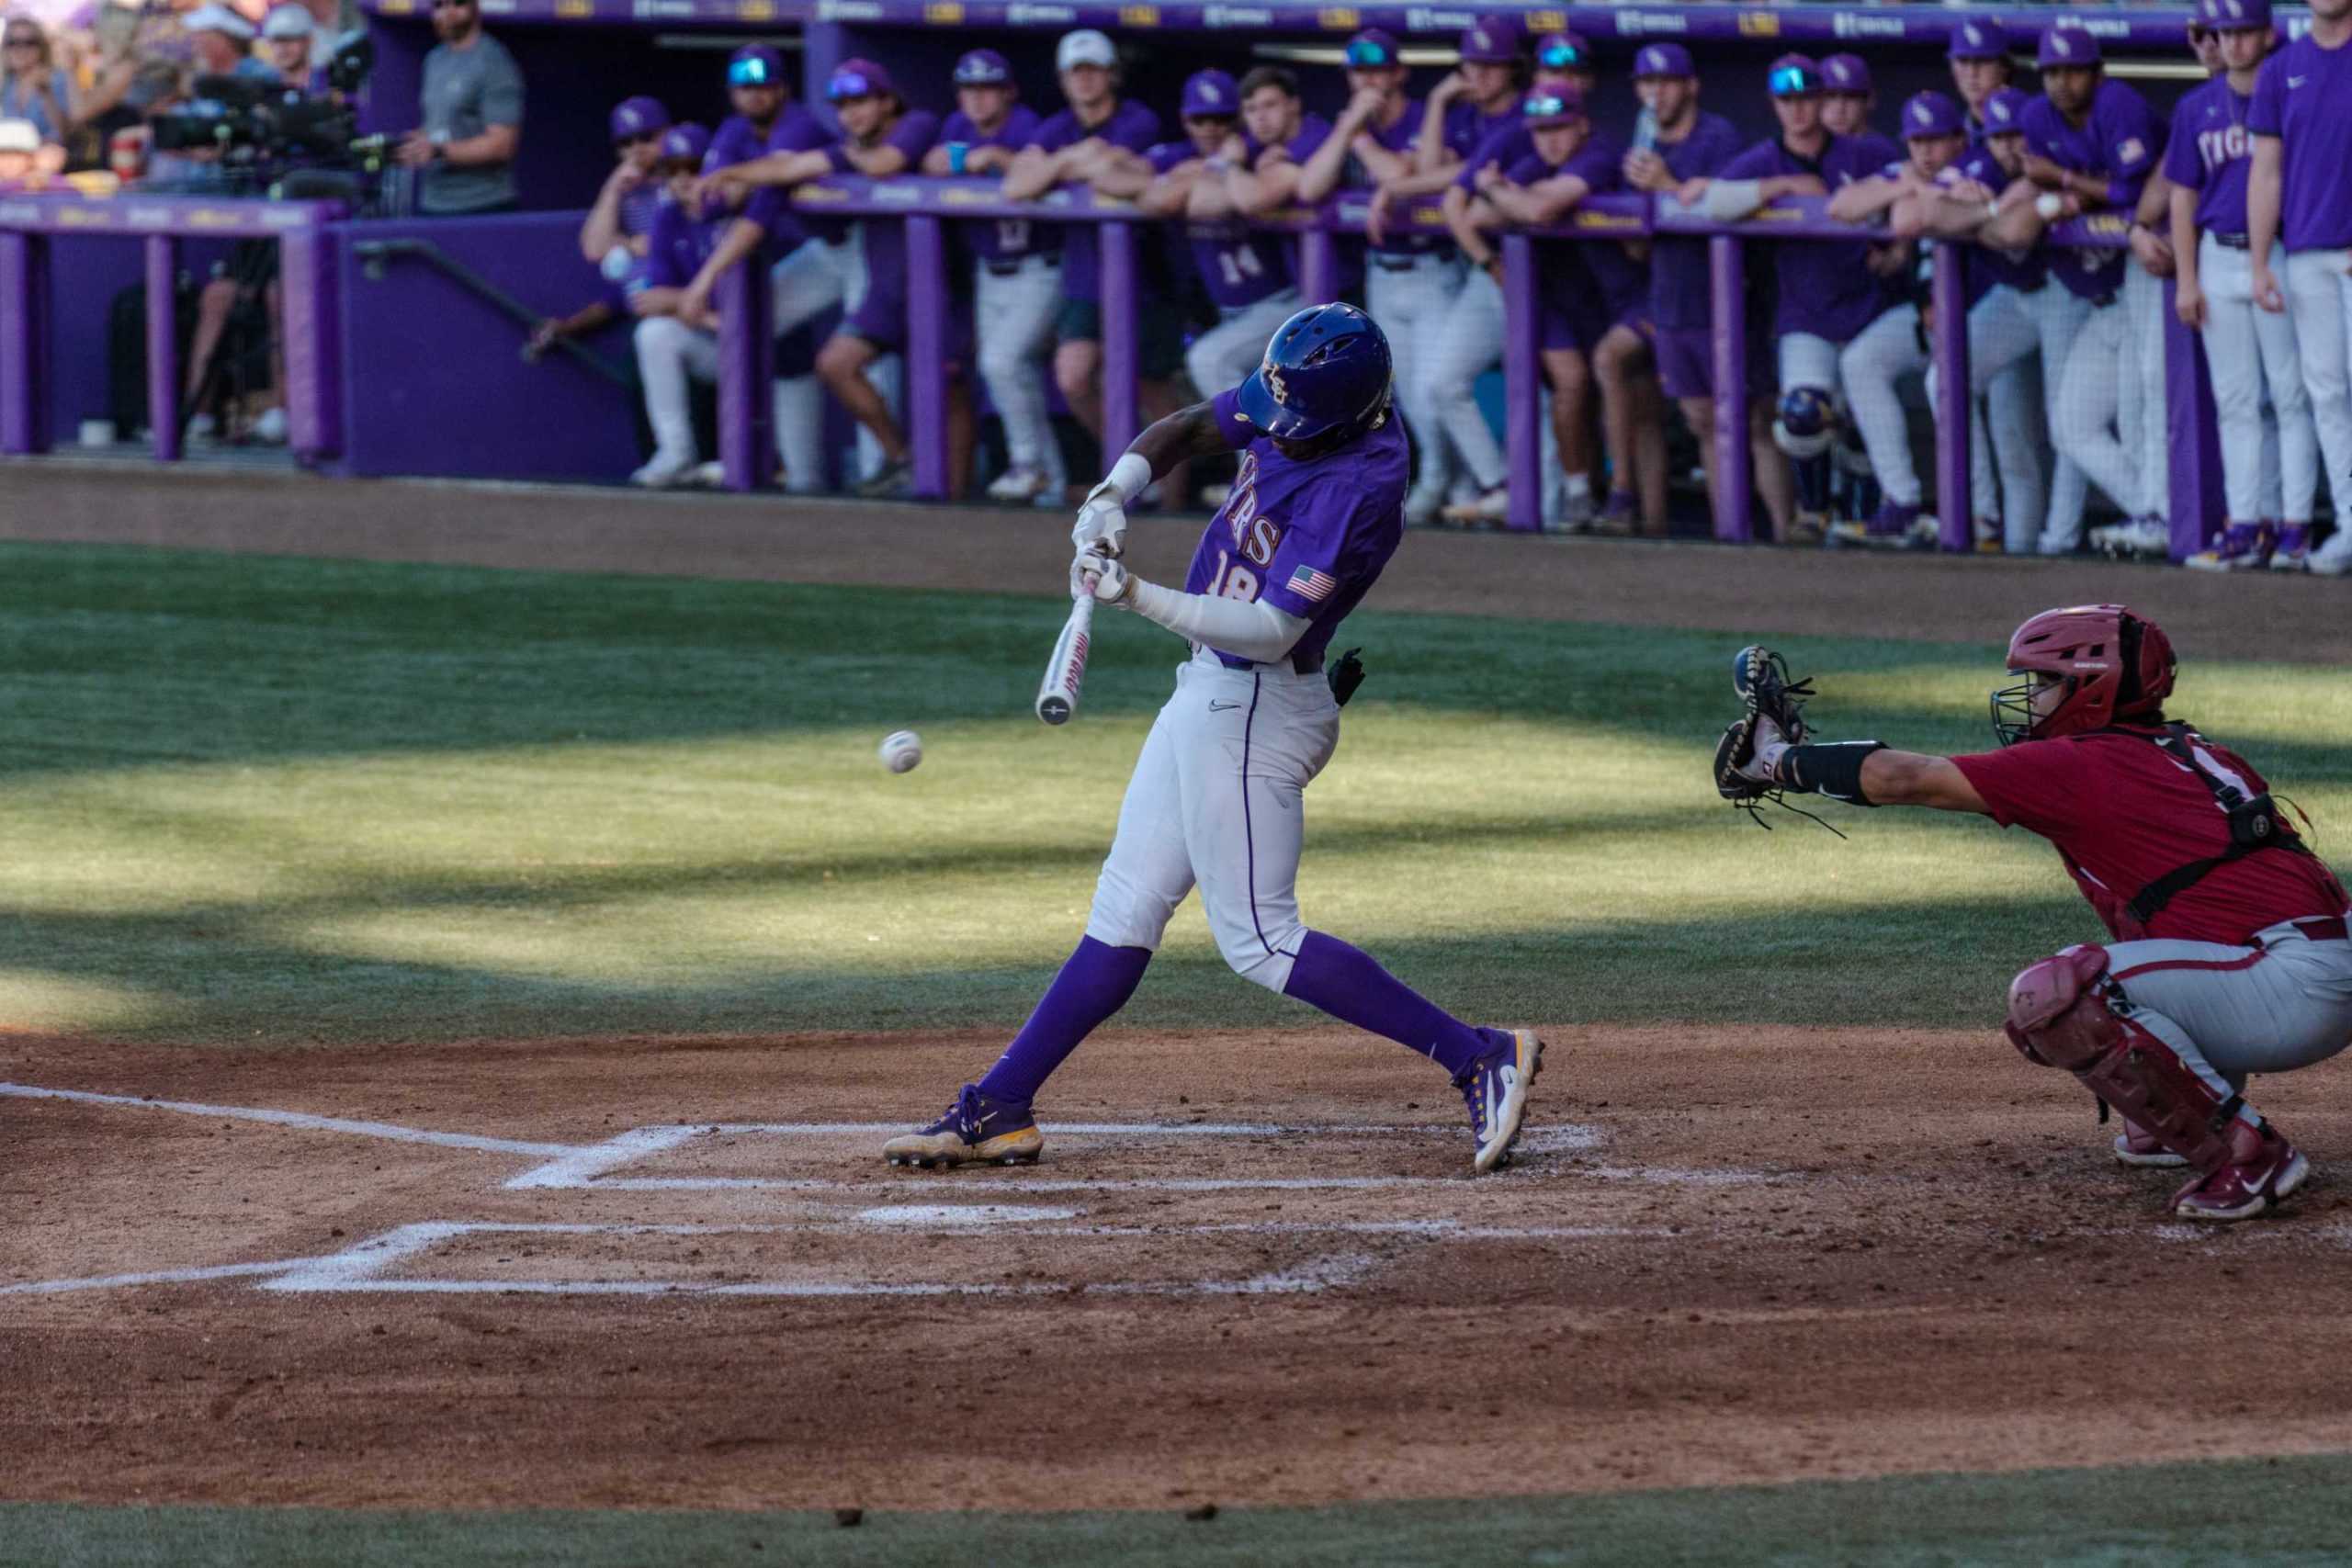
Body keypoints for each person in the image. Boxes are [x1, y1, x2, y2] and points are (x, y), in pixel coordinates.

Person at [880, 302, 1544, 1177]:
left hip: (1256, 705)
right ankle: (1001, 1106)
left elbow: (1270, 628)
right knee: (1125, 908)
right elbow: (1189, 426)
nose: (1274, 435)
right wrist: (1110, 494)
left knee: (1262, 940)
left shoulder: (1361, 485)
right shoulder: (1297, 392)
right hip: (1211, 695)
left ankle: (1481, 1054)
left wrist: (1134, 594)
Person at [1718, 609, 2350, 1223]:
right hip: (2299, 967)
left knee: (2062, 994)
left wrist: (1774, 758)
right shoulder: (2181, 750)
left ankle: (2250, 1153)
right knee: (2131, 952)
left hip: (2288, 986)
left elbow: (1904, 778)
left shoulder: (2086, 763)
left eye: (2046, 682)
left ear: (2092, 691)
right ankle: (2178, 1121)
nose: (2031, 697)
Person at [1681, 56, 1887, 543]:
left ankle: (1861, 523)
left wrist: (1894, 248)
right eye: (1786, 101)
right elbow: (1715, 203)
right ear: (1774, 105)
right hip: (1805, 314)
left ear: (1821, 99)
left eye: (1806, 99)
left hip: (1868, 308)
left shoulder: (1865, 152)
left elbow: (1909, 193)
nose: (1797, 111)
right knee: (1800, 415)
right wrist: (1786, 187)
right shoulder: (1765, 159)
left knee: (1863, 424)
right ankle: (1813, 515)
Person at [1982, 24, 2161, 556]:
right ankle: (2152, 514)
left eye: (2074, 70)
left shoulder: (2119, 104)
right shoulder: (2036, 117)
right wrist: (2040, 195)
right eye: (2053, 72)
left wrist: (2066, 181)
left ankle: (2162, 517)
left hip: (2145, 284)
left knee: (2140, 414)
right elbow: (2036, 194)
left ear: (2096, 72)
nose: (2063, 82)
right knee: (2072, 426)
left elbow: (2131, 190)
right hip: (2098, 304)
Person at [2172, 0, 2318, 572]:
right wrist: (2186, 277)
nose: (2231, 43)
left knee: (2289, 394)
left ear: (2266, 34)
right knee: (2236, 401)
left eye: (2242, 31)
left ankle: (2295, 524)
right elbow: (2182, 196)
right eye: (2222, 32)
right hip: (2216, 255)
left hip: (2277, 252)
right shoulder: (2194, 107)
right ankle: (2245, 524)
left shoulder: (2287, 89)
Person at [1444, 82, 1623, 534]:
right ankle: (1579, 491)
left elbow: (1539, 211)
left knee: (1628, 396)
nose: (1550, 139)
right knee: (1572, 381)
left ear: (1582, 124)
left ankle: (1626, 499)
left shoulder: (1598, 152)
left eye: (1560, 128)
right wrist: (1512, 198)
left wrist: (1501, 192)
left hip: (1613, 290)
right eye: (1542, 130)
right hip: (1557, 292)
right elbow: (1477, 217)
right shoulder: (1537, 161)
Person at [1001, 29, 1181, 468]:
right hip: (1085, 272)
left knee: (1148, 385)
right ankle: (1131, 469)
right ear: (1063, 79)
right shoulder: (1058, 127)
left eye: (1093, 70)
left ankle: (1174, 495)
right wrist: (1068, 160)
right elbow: (1016, 185)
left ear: (1111, 74)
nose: (1084, 80)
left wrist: (1059, 164)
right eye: (1075, 72)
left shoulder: (1137, 118)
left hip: (1144, 272)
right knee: (1074, 376)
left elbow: (1108, 169)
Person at [1372, 17, 1522, 523]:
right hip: (1489, 269)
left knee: (1547, 389)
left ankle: (1549, 493)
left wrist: (1394, 189)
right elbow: (1437, 172)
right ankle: (1497, 483)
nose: (1477, 75)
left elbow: (1452, 182)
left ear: (1511, 68)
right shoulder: (1467, 116)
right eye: (1471, 65)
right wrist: (1438, 102)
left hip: (1523, 265)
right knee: (1439, 383)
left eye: (1489, 65)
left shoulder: (1522, 116)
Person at [1295, 30, 1450, 525]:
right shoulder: (1346, 125)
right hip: (1382, 273)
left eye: (1379, 70)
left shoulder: (1419, 117)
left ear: (1398, 72)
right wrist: (1350, 130)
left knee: (1435, 387)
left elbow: (1399, 175)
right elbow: (1311, 186)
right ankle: (1440, 481)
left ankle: (1458, 481)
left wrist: (1359, 137)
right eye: (1360, 72)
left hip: (1434, 267)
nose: (1370, 81)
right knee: (1403, 391)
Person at [1900, 85, 2051, 556]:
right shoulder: (1981, 166)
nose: (2008, 145)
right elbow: (1917, 215)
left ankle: (2041, 547)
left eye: (2015, 134)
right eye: (1997, 135)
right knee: (1950, 385)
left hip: (2069, 302)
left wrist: (1975, 214)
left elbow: (2013, 232)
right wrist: (1979, 207)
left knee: (2062, 431)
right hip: (2011, 308)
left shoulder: (2051, 159)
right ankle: (1981, 513)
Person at [1825, 91, 1970, 547]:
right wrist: (1902, 185)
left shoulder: (1975, 171)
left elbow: (1908, 222)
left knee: (2008, 426)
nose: (1925, 151)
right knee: (1862, 361)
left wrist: (1913, 192)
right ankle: (1902, 502)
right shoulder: (1906, 172)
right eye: (1916, 141)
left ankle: (1984, 522)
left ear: (1958, 140)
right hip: (1926, 316)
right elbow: (1841, 205)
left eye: (1936, 140)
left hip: (1986, 312)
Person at [923, 49, 1063, 507]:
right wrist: (955, 161)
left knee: (1002, 363)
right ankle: (1054, 486)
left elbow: (1031, 168)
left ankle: (1028, 463)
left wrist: (997, 157)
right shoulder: (956, 129)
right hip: (989, 272)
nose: (978, 99)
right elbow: (932, 165)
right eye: (970, 89)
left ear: (1008, 92)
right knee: (1009, 371)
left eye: (988, 89)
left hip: (1039, 266)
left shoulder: (1028, 124)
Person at [799, 60, 944, 497]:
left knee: (956, 383)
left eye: (860, 101)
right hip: (888, 283)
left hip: (944, 282)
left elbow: (884, 164)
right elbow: (789, 170)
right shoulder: (850, 146)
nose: (851, 114)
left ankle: (965, 496)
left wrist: (837, 160)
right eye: (842, 105)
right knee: (836, 363)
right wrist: (730, 174)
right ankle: (902, 460)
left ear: (886, 101)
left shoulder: (918, 124)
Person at [1621, 43, 1745, 534]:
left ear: (1691, 85)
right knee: (1698, 419)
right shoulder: (1642, 146)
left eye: (1666, 81)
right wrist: (1643, 198)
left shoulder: (1718, 138)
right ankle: (1721, 531)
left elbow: (1730, 210)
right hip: (1670, 298)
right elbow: (1634, 247)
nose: (1656, 93)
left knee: (1741, 420)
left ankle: (1755, 530)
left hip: (1727, 299)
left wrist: (1669, 185)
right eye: (1647, 83)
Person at [2249, 0, 2352, 576]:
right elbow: (2267, 171)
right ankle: (2349, 524)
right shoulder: (2280, 68)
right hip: (2308, 254)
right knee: (2328, 396)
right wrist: (2261, 260)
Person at [1141, 69, 1311, 405]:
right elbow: (1152, 200)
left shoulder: (1256, 152)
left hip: (1280, 303)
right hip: (1229, 313)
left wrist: (1214, 174)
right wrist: (1213, 170)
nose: (1210, 128)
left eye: (1221, 119)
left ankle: (1259, 456)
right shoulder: (1181, 156)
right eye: (1200, 119)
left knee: (1209, 361)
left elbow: (1217, 201)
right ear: (1185, 120)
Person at [624, 122, 733, 488]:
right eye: (673, 169)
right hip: (709, 337)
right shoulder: (668, 217)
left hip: (761, 348)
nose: (684, 178)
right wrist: (694, 307)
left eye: (693, 166)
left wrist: (683, 302)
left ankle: (743, 460)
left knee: (803, 476)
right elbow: (650, 301)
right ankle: (675, 453)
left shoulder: (732, 213)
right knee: (653, 333)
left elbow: (735, 303)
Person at [395, 0, 524, 216]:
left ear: (475, 7)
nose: (448, 12)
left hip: (482, 204)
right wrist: (417, 144)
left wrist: (438, 150)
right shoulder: (434, 60)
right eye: (439, 5)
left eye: (458, 4)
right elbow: (438, 127)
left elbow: (502, 145)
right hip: (434, 203)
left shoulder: (493, 61)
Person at [1, 17, 76, 146]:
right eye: (12, 42)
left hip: (48, 155)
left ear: (42, 47)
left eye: (29, 42)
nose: (20, 49)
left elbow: (64, 133)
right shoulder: (6, 83)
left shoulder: (58, 78)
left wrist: (46, 93)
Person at [1947, 18, 2013, 138]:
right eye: (1963, 61)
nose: (1972, 73)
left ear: (2004, 68)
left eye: (1982, 61)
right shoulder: (1951, 135)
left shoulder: (2028, 125)